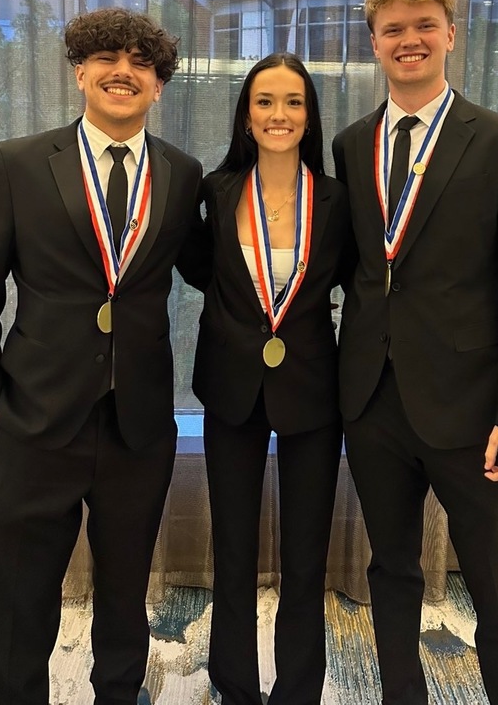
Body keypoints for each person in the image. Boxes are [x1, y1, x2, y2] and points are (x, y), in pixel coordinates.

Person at [0, 7, 203, 705]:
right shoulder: (19, 163)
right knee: (22, 598)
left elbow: (216, 272)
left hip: (139, 424)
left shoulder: (182, 175)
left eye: (141, 64)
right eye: (106, 59)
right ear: (80, 73)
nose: (123, 71)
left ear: (158, 86)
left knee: (126, 597)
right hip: (31, 417)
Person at [333, 0, 498, 705]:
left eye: (424, 26)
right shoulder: (349, 144)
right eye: (393, 29)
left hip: (474, 413)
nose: (410, 41)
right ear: (374, 44)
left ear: (451, 36)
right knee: (389, 572)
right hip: (373, 402)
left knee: (495, 586)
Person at [192, 52, 353, 705]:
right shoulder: (215, 190)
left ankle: (297, 692)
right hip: (231, 389)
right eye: (264, 101)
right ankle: (235, 688)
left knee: (305, 560)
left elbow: (352, 281)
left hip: (313, 392)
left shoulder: (340, 201)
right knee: (232, 554)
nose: (278, 114)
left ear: (310, 115)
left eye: (292, 101)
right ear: (246, 114)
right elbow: (200, 270)